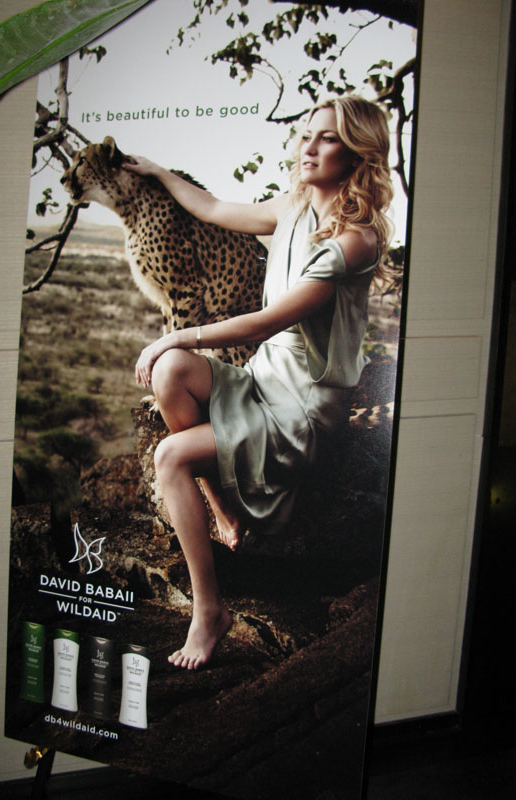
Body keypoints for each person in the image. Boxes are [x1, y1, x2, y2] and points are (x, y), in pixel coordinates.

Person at [123, 95, 394, 670]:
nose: (308, 147)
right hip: (261, 383)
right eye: (307, 134)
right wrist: (159, 172)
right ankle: (221, 505)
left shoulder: (356, 240)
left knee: (170, 454)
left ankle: (209, 611)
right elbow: (213, 207)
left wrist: (175, 334)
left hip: (300, 414)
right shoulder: (293, 208)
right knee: (171, 372)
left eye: (328, 138)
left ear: (357, 154)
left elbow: (269, 321)